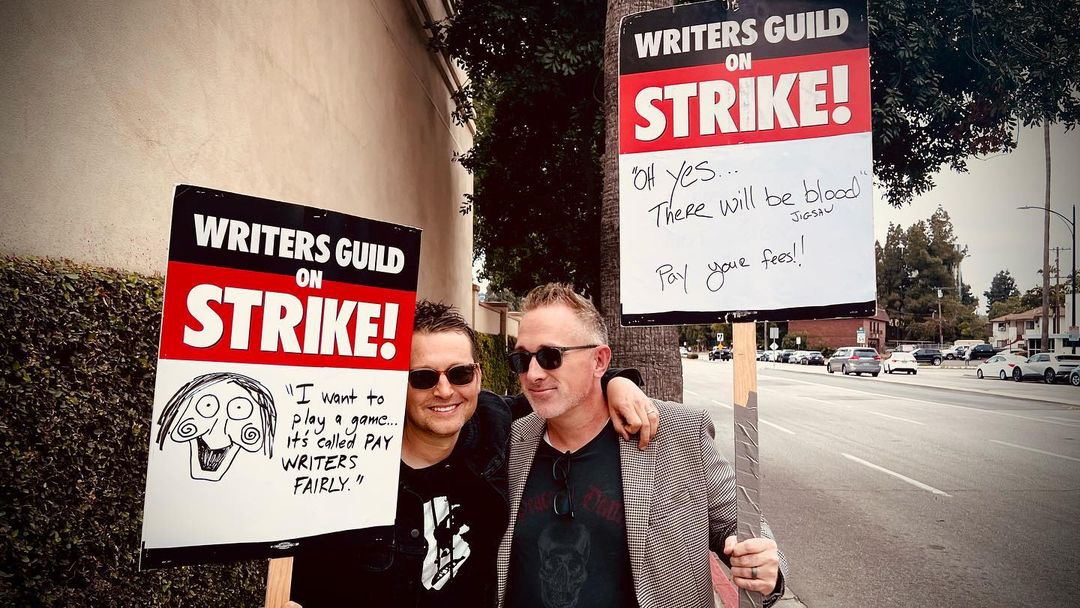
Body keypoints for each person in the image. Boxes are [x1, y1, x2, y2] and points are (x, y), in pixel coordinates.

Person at [287, 300, 656, 608]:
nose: (445, 391)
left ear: (478, 377)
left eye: (460, 374)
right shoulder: (349, 469)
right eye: (423, 378)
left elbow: (566, 391)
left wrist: (617, 382)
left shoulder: (496, 425)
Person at [497, 284, 788, 608]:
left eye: (550, 357)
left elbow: (739, 521)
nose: (533, 374)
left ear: (599, 360)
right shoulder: (515, 440)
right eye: (522, 359)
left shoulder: (679, 432)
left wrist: (766, 565)